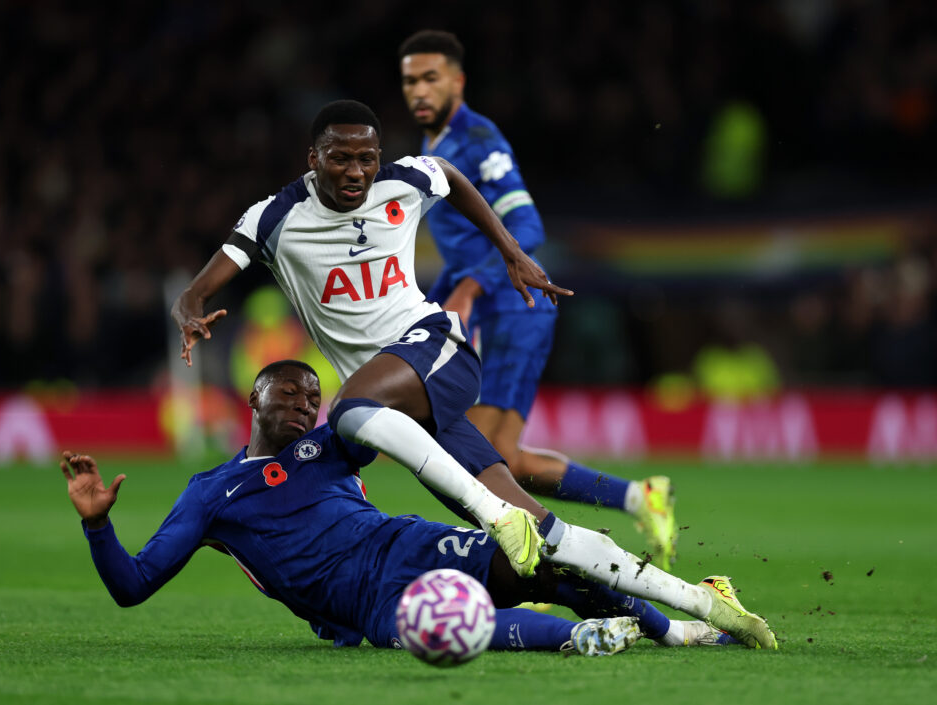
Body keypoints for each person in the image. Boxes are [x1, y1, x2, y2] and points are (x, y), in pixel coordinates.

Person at [171, 100, 777, 649]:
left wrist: (511, 250)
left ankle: (497, 516)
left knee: (350, 411)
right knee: (549, 541)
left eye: (366, 159)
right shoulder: (274, 217)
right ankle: (697, 612)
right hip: (400, 409)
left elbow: (452, 176)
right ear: (314, 158)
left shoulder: (403, 180)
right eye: (341, 159)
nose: (356, 172)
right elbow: (196, 291)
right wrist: (190, 314)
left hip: (436, 351)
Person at [60, 360, 741, 654]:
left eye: (311, 396)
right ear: (254, 399)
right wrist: (98, 524)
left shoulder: (332, 445)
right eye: (287, 392)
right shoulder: (212, 493)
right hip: (365, 604)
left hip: (406, 544)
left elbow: (385, 424)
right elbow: (133, 584)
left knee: (544, 567)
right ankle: (580, 638)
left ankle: (680, 630)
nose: (303, 403)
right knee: (446, 629)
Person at [398, 29, 677, 570]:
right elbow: (462, 252)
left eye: (431, 78)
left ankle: (535, 571)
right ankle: (637, 498)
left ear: (458, 81)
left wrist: (472, 286)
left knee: (481, 459)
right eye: (411, 81)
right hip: (490, 309)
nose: (419, 90)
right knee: (502, 459)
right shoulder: (435, 147)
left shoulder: (479, 140)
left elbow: (526, 225)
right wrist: (430, 302)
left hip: (512, 309)